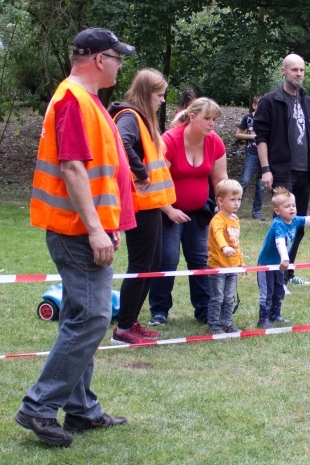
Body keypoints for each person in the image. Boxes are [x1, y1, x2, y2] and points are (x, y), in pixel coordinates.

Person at [17, 27, 133, 446]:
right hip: (77, 232)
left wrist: (109, 224)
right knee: (92, 319)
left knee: (82, 317)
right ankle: (39, 407)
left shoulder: (87, 100)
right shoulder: (72, 99)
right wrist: (97, 228)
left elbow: (99, 172)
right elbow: (72, 168)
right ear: (100, 59)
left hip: (86, 230)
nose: (121, 64)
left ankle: (82, 410)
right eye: (118, 57)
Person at [107, 68, 189, 344]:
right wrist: (141, 173)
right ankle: (123, 329)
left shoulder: (140, 119)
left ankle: (130, 321)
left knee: (152, 264)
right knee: (141, 264)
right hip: (139, 204)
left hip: (151, 203)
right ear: (146, 94)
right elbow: (120, 142)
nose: (163, 100)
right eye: (159, 95)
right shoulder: (129, 117)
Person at [147, 97, 228, 326]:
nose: (212, 124)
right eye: (207, 119)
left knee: (201, 260)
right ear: (192, 117)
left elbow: (220, 179)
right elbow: (155, 183)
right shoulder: (169, 141)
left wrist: (226, 205)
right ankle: (159, 311)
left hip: (198, 212)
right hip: (168, 211)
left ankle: (204, 309)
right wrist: (170, 211)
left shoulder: (215, 142)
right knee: (167, 259)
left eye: (215, 119)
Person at [254, 53, 310, 286]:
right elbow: (261, 137)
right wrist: (266, 169)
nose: (299, 74)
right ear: (283, 71)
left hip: (305, 171)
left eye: (302, 70)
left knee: (299, 225)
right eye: (294, 70)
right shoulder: (270, 101)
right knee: (280, 227)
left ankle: (288, 274)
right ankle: (275, 275)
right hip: (281, 171)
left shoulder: (309, 102)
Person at [256, 187, 310, 328]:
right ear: (277, 211)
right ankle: (263, 320)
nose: (292, 209)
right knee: (267, 293)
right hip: (267, 265)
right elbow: (280, 242)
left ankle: (275, 315)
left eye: (293, 205)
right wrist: (285, 258)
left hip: (280, 264)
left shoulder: (295, 220)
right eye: (287, 206)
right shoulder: (278, 224)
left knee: (279, 290)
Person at [206, 179, 245, 334]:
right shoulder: (217, 219)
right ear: (221, 201)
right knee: (218, 297)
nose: (237, 203)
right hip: (218, 265)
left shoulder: (235, 219)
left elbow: (236, 242)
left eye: (239, 199)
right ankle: (214, 324)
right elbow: (217, 235)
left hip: (233, 265)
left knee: (229, 297)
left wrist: (240, 261)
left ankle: (227, 322)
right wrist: (224, 247)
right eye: (232, 199)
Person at [236, 94, 266, 221]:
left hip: (263, 155)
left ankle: (257, 211)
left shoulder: (267, 119)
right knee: (244, 181)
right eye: (259, 105)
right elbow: (238, 134)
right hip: (251, 153)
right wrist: (252, 137)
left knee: (261, 184)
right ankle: (233, 208)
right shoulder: (248, 118)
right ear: (254, 105)